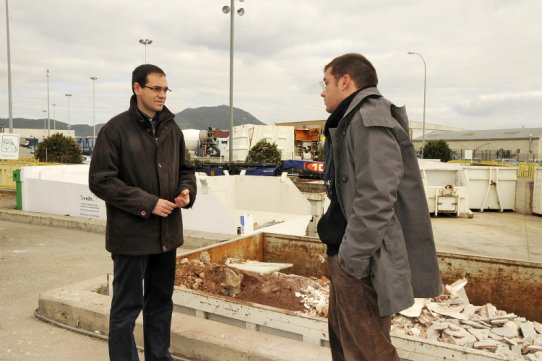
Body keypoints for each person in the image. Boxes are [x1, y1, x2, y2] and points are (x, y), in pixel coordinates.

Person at [317, 53, 442, 360]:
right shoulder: (351, 120)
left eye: (326, 82)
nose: (322, 91)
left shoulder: (368, 120)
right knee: (348, 348)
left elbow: (376, 200)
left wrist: (351, 260)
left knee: (368, 352)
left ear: (346, 81)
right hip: (350, 259)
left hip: (361, 265)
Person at [89, 64, 197, 361]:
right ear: (137, 88)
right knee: (126, 308)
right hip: (132, 237)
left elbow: (186, 170)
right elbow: (101, 180)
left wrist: (186, 191)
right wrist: (148, 202)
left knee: (161, 302)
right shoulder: (115, 130)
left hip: (167, 236)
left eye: (165, 89)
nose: (162, 95)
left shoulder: (172, 129)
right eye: (156, 89)